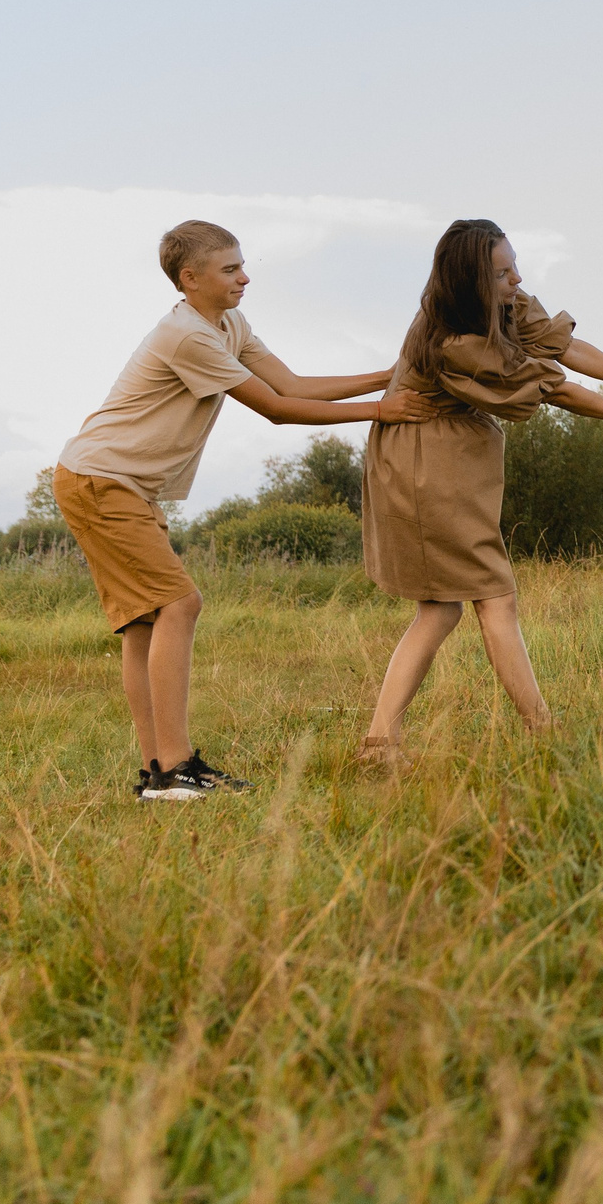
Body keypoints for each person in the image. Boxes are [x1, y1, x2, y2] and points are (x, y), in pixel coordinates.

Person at [55, 220, 435, 802]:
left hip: (121, 484)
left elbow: (292, 383)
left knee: (143, 623)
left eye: (241, 265)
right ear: (191, 278)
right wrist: (381, 411)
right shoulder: (188, 336)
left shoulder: (228, 324)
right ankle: (177, 767)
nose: (245, 277)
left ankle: (159, 774)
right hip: (102, 480)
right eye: (230, 269)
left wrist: (390, 376)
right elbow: (277, 409)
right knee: (180, 605)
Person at [359, 219, 603, 759]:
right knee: (495, 596)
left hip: (450, 456)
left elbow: (564, 348)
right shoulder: (452, 340)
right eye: (502, 272)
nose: (516, 279)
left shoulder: (505, 301)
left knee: (441, 609)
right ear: (469, 280)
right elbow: (554, 388)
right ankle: (543, 731)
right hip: (422, 462)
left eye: (514, 265)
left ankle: (379, 742)